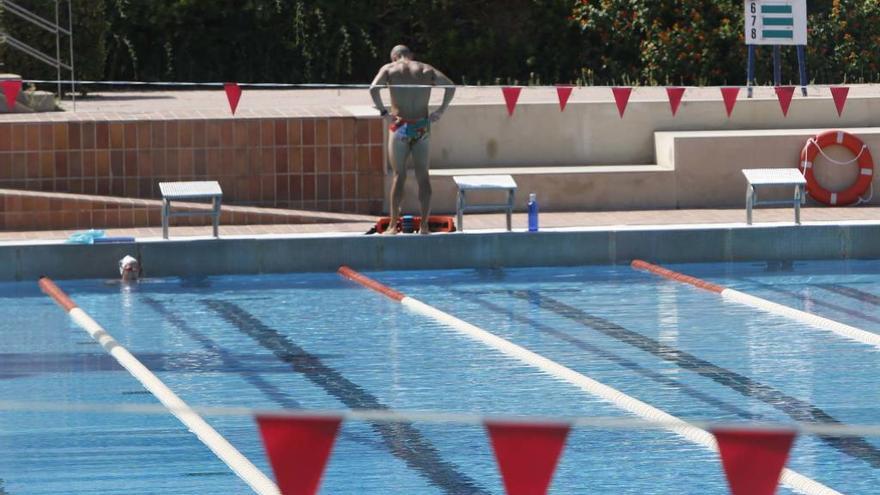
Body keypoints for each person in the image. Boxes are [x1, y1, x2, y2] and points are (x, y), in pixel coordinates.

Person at [370, 45, 455, 234]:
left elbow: (373, 89)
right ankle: (424, 226)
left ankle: (393, 226)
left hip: (400, 126)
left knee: (399, 176)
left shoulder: (389, 69)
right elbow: (450, 86)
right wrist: (440, 111)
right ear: (411, 55)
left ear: (394, 57)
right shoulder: (426, 69)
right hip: (421, 126)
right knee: (423, 176)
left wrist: (384, 112)